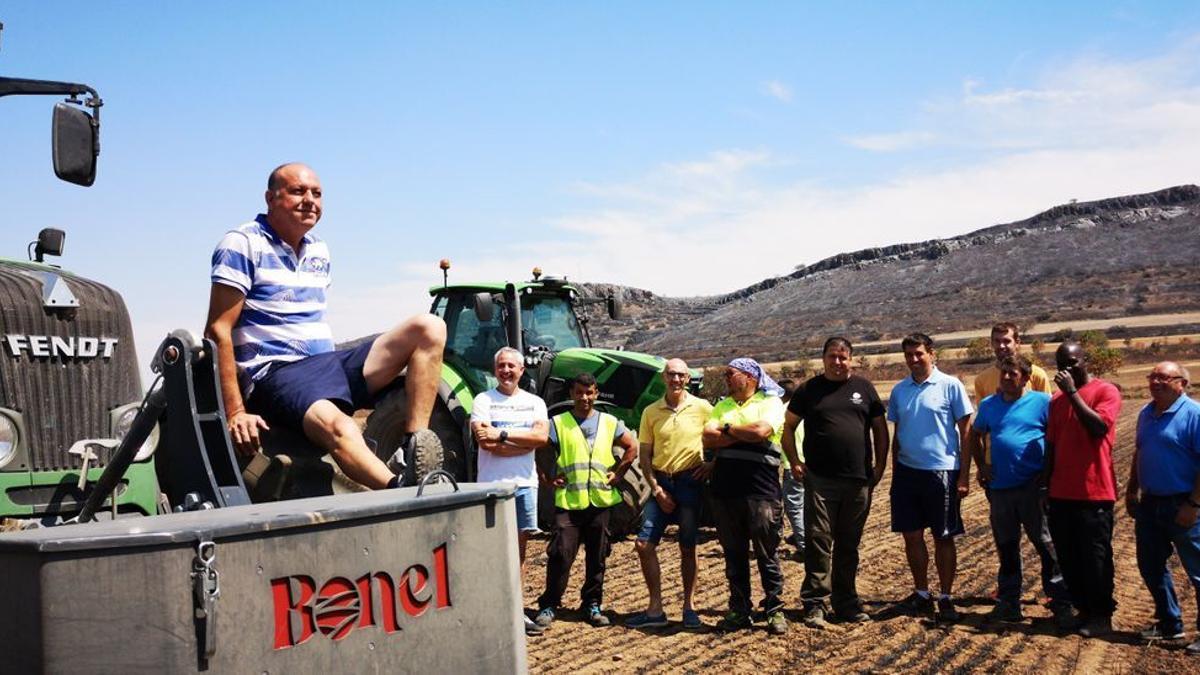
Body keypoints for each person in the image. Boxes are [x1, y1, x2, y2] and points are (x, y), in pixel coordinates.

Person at [206, 163, 446, 491]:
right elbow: (218, 330)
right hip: (277, 374)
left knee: (429, 327)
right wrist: (235, 412)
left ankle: (412, 450)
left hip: (326, 365)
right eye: (298, 191)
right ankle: (404, 491)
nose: (310, 200)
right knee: (340, 426)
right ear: (270, 198)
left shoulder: (319, 250)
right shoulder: (242, 243)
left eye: (316, 194)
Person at [783, 337, 888, 628]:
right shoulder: (809, 390)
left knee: (848, 544)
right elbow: (788, 428)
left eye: (843, 357)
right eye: (832, 357)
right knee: (818, 541)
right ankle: (815, 603)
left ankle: (846, 602)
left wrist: (880, 466)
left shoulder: (864, 389)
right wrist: (794, 461)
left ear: (851, 359)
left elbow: (880, 430)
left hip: (857, 481)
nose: (837, 362)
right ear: (823, 359)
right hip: (820, 480)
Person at [967, 355, 1071, 625]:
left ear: (1026, 377)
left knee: (1045, 544)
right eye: (1003, 373)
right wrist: (982, 466)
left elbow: (1055, 439)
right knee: (1006, 546)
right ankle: (1009, 602)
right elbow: (975, 434)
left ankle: (1061, 601)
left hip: (1032, 487)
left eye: (1012, 374)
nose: (1005, 378)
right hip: (1000, 488)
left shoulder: (1042, 402)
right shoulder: (989, 405)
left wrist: (1048, 476)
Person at [534, 372, 638, 628]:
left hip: (600, 501)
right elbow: (538, 447)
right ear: (572, 394)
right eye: (579, 392)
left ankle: (591, 604)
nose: (584, 398)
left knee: (598, 556)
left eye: (589, 392)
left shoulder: (610, 422)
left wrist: (620, 471)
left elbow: (632, 446)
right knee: (560, 553)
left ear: (596, 394)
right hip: (569, 502)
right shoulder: (558, 422)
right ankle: (549, 604)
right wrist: (546, 477)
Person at [887, 332, 973, 623]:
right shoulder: (899, 390)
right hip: (908, 473)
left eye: (919, 353)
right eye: (908, 355)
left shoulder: (951, 385)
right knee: (911, 536)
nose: (914, 359)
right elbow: (897, 434)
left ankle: (946, 597)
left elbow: (966, 432)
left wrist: (964, 475)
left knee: (943, 536)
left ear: (931, 353)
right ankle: (922, 594)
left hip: (942, 472)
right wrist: (896, 471)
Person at [704, 358, 789, 635]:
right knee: (734, 554)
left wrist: (726, 430)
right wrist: (743, 434)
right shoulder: (722, 405)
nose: (726, 378)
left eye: (731, 374)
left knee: (767, 552)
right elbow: (707, 437)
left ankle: (775, 609)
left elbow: (762, 432)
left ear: (750, 377)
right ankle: (740, 609)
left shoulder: (770, 403)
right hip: (725, 493)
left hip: (761, 493)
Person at [626, 359, 712, 630]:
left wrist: (712, 464)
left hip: (690, 483)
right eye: (671, 375)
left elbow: (719, 438)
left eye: (680, 375)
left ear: (687, 379)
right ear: (664, 377)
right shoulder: (651, 412)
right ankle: (655, 610)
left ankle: (689, 607)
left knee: (688, 547)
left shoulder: (702, 408)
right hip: (661, 483)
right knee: (643, 544)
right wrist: (656, 489)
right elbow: (645, 455)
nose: (676, 379)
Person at [1044, 340, 1122, 637]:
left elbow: (1098, 427)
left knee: (1095, 557)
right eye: (1061, 364)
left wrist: (1073, 394)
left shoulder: (1105, 391)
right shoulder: (1055, 401)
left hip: (1094, 492)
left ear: (1085, 360)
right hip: (1061, 491)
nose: (1067, 369)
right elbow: (1051, 445)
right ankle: (1084, 610)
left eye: (1072, 363)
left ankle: (1102, 613)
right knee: (1068, 556)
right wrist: (1045, 486)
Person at [469, 347, 549, 636]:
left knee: (519, 552)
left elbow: (540, 438)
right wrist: (522, 442)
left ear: (521, 370)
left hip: (525, 485)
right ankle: (490, 610)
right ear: (495, 370)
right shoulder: (483, 401)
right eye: (501, 366)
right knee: (490, 550)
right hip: (491, 486)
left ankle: (516, 610)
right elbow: (485, 444)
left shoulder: (535, 402)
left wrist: (501, 434)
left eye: (511, 366)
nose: (506, 371)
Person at [1126, 361, 1200, 654]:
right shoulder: (1146, 413)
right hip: (1151, 504)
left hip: (1182, 503)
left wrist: (1194, 504)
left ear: (1182, 383)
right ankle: (1170, 623)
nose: (1155, 382)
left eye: (1163, 377)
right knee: (1150, 565)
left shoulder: (1194, 414)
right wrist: (1132, 489)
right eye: (1152, 376)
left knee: (1197, 571)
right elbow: (1139, 451)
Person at [973, 322, 1053, 402]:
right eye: (997, 341)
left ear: (1017, 342)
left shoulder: (1037, 375)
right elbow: (984, 412)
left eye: (1006, 341)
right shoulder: (981, 380)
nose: (1001, 346)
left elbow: (1048, 409)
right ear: (992, 343)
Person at [778, 378, 806, 559]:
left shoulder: (782, 412)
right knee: (808, 506)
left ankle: (805, 546)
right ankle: (803, 537)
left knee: (794, 507)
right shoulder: (805, 410)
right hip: (810, 464)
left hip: (792, 465)